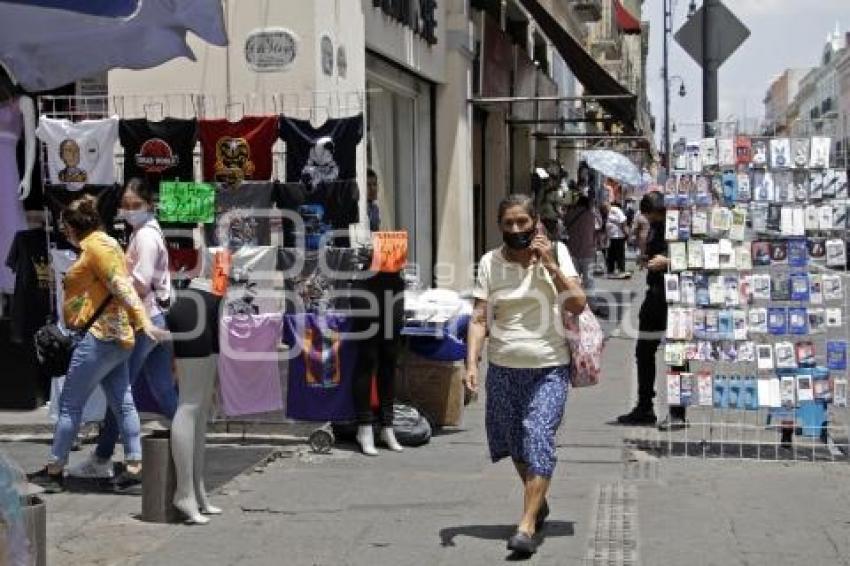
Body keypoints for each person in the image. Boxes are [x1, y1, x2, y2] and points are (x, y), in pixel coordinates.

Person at [465, 194, 586, 556]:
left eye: (522, 222)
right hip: (503, 369)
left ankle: (526, 525)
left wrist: (550, 265)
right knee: (514, 443)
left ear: (536, 224)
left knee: (537, 434)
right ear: (500, 226)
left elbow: (579, 303)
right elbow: (479, 318)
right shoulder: (490, 262)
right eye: (509, 224)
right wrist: (471, 362)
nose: (516, 229)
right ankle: (539, 501)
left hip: (549, 366)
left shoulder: (557, 254)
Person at [27, 195, 166, 493]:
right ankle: (134, 466)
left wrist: (143, 321)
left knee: (69, 406)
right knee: (122, 401)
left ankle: (54, 470)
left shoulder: (95, 248)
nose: (64, 233)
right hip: (116, 339)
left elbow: (121, 285)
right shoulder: (106, 243)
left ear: (74, 228)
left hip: (99, 338)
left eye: (65, 228)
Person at [70, 178, 178, 481]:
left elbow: (141, 283)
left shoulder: (144, 237)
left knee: (121, 393)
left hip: (144, 321)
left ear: (149, 205)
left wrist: (109, 285)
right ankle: (191, 439)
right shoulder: (148, 233)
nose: (129, 210)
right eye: (126, 205)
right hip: (157, 319)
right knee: (162, 389)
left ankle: (104, 458)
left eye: (136, 205)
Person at [617, 191, 686, 428]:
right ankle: (645, 406)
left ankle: (678, 412)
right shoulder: (656, 226)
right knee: (644, 351)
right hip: (655, 295)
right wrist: (646, 260)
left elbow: (698, 257)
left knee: (677, 356)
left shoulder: (680, 226)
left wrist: (667, 262)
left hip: (676, 298)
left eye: (653, 215)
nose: (652, 219)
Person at [563, 181, 597, 293]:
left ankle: (574, 304)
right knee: (589, 281)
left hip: (572, 251)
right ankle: (592, 306)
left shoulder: (570, 214)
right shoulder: (591, 215)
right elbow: (599, 227)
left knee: (573, 280)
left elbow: (565, 223)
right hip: (588, 252)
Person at [605, 201, 627, 276]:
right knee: (611, 255)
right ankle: (610, 270)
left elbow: (623, 220)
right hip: (611, 237)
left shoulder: (615, 210)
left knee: (619, 255)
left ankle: (621, 270)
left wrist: (626, 232)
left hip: (618, 236)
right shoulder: (606, 212)